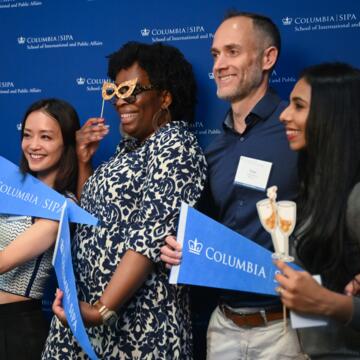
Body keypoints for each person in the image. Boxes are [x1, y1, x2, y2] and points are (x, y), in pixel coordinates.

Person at [42, 42, 207, 359]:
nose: (120, 100)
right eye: (115, 91)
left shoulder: (175, 143)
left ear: (165, 96)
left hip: (138, 323)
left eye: (131, 90)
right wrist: (83, 162)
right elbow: (96, 219)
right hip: (89, 311)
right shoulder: (128, 149)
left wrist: (103, 310)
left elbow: (152, 235)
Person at [161, 10, 304, 360]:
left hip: (285, 327)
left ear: (268, 58)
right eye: (215, 54)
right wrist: (182, 251)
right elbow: (209, 232)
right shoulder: (214, 150)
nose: (219, 65)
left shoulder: (298, 130)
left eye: (233, 52)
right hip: (223, 325)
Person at [274, 62, 360, 357]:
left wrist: (325, 302)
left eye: (299, 106)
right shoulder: (317, 189)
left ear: (335, 117)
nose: (284, 115)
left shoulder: (356, 198)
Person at [0, 98, 80, 360]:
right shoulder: (10, 193)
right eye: (27, 135)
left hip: (14, 328)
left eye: (46, 137)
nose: (33, 146)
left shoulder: (63, 206)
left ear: (66, 144)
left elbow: (2, 262)